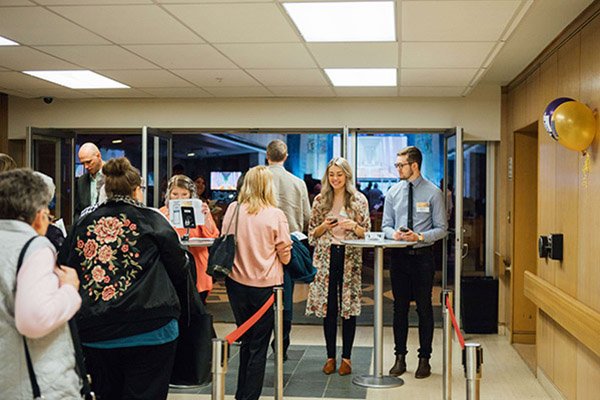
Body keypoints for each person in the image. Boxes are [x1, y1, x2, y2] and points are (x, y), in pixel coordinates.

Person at [59, 157, 190, 400]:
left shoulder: (84, 222)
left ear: (106, 190)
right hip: (152, 324)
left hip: (97, 328)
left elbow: (66, 266)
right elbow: (179, 267)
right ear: (136, 189)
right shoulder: (152, 220)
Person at [0, 168, 82, 399]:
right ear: (38, 215)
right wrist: (69, 289)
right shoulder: (34, 247)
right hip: (35, 383)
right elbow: (35, 319)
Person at [222, 165, 291, 400]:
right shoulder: (275, 214)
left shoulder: (233, 210)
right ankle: (248, 396)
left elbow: (226, 240)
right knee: (259, 346)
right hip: (266, 287)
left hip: (236, 284)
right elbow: (285, 253)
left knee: (245, 339)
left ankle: (241, 393)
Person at [381, 146, 447, 379]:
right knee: (399, 310)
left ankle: (424, 359)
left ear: (414, 166)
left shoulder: (433, 193)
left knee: (424, 309)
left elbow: (442, 229)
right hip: (398, 259)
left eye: (401, 165)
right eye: (397, 165)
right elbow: (385, 226)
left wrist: (419, 237)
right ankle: (400, 357)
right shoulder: (393, 192)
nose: (397, 168)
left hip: (422, 259)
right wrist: (394, 235)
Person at [306, 157, 370, 376]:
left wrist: (354, 226)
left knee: (348, 309)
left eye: (339, 174)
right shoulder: (320, 200)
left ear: (347, 176)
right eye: (331, 174)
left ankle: (347, 358)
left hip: (350, 257)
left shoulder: (359, 200)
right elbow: (311, 235)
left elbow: (367, 234)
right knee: (329, 308)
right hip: (326, 257)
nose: (335, 178)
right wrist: (324, 226)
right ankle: (330, 356)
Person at [266, 139, 311, 360]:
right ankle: (282, 347)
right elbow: (307, 217)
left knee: (263, 296)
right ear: (285, 157)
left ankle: (259, 341)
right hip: (289, 245)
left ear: (267, 156)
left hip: (262, 247)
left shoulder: (258, 180)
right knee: (286, 298)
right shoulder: (297, 182)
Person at [160, 174, 219, 303]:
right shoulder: (162, 213)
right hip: (171, 269)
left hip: (198, 267)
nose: (179, 198)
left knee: (198, 311)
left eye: (184, 194)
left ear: (191, 195)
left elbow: (213, 235)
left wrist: (206, 216)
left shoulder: (200, 211)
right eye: (175, 194)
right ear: (169, 195)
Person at [74, 142, 104, 221]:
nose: (86, 166)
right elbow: (78, 210)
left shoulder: (114, 177)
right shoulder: (81, 181)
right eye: (83, 163)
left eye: (89, 162)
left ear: (98, 156)